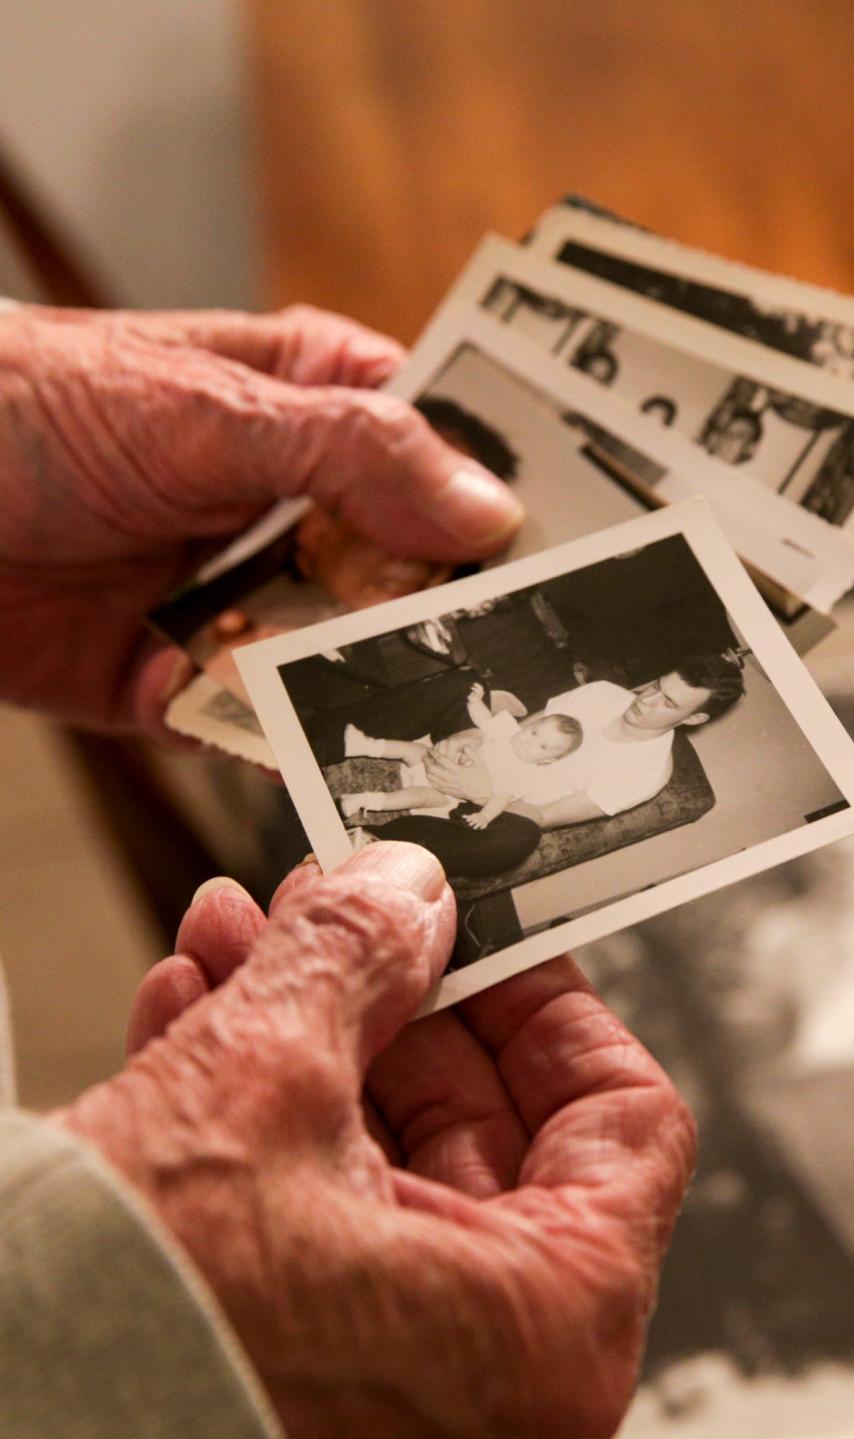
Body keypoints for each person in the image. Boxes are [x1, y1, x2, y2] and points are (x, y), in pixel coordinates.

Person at [0, 300, 695, 1438]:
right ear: (322, 532)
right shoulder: (477, 660)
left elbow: (563, 787)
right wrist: (120, 1318)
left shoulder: (610, 721)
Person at [375, 656, 744, 874]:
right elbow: (519, 730)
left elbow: (542, 817)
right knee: (458, 684)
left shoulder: (648, 774)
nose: (645, 701)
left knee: (517, 839)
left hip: (499, 805)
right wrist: (471, 738)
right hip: (493, 753)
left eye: (668, 704)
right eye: (655, 686)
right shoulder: (602, 693)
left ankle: (380, 845)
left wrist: (482, 791)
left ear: (692, 720)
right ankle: (329, 740)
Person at [338, 683, 583, 825]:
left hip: (446, 792)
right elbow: (484, 719)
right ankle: (364, 745)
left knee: (420, 797)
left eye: (542, 746)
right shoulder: (507, 731)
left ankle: (364, 800)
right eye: (533, 732)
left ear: (547, 760)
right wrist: (475, 702)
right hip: (436, 761)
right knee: (414, 750)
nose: (530, 742)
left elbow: (499, 798)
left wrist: (484, 816)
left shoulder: (524, 776)